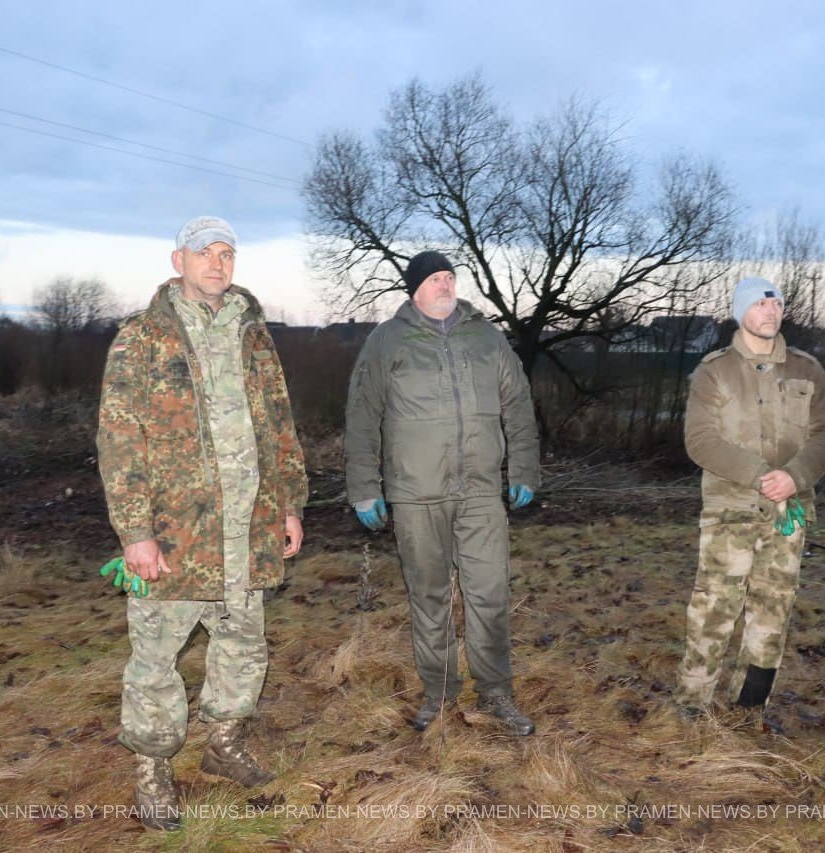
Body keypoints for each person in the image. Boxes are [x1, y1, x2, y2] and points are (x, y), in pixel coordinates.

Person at [97, 216, 307, 830]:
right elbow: (119, 439)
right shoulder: (141, 338)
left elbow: (280, 425)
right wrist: (135, 531)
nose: (217, 263)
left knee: (242, 645)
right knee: (156, 655)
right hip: (174, 533)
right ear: (178, 261)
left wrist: (289, 505)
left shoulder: (254, 334)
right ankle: (152, 767)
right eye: (204, 253)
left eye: (226, 253)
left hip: (248, 527)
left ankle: (224, 744)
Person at [344, 250, 540, 736]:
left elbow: (518, 404)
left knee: (490, 594)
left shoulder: (486, 338)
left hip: (480, 492)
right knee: (429, 597)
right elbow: (363, 415)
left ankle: (495, 693)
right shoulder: (387, 341)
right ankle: (441, 693)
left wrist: (524, 468)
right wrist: (364, 487)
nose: (445, 284)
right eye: (435, 278)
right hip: (416, 494)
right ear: (415, 289)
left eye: (450, 277)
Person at [678, 277, 825, 722]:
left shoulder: (807, 369)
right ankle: (691, 704)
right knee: (714, 607)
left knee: (774, 610)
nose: (771, 311)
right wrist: (759, 475)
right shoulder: (714, 371)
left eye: (776, 304)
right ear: (740, 312)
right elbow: (700, 440)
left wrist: (795, 476)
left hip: (790, 511)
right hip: (730, 510)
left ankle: (749, 708)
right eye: (760, 304)